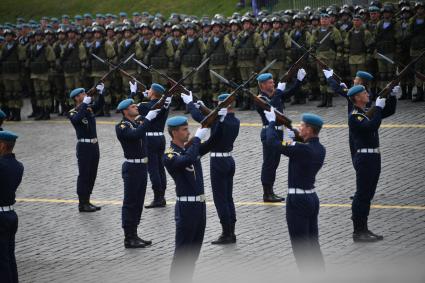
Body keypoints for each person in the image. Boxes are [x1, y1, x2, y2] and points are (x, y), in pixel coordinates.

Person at [164, 115, 223, 282]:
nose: (188, 132)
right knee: (183, 252)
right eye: (184, 130)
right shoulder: (169, 155)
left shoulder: (190, 149)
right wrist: (197, 137)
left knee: (193, 252)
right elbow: (186, 159)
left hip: (200, 207)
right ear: (174, 132)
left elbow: (214, 140)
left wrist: (219, 119)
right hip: (186, 208)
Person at [264, 110, 325, 272]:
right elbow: (295, 146)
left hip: (297, 201)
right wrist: (292, 134)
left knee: (301, 247)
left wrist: (271, 123)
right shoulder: (319, 149)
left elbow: (272, 143)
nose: (299, 127)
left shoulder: (302, 150)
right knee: (312, 242)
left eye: (302, 125)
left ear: (309, 130)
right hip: (312, 198)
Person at [182, 92, 240, 244]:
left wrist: (190, 103)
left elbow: (199, 117)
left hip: (218, 163)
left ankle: (226, 233)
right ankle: (231, 231)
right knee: (228, 198)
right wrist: (201, 104)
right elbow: (212, 116)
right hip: (229, 159)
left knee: (220, 199)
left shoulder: (218, 122)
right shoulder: (235, 121)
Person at [347, 85, 397, 242]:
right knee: (362, 194)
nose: (367, 94)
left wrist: (392, 96)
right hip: (365, 159)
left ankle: (364, 229)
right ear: (356, 98)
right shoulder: (355, 116)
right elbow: (371, 126)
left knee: (368, 195)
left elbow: (388, 112)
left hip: (374, 158)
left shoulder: (365, 113)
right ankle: (358, 231)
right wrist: (378, 108)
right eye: (364, 93)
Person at [115, 98, 161, 248]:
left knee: (139, 202)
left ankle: (134, 234)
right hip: (132, 168)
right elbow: (135, 135)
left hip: (141, 168)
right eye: (133, 106)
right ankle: (128, 237)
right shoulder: (122, 126)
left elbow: (142, 127)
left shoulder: (136, 123)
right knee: (130, 203)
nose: (136, 107)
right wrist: (147, 118)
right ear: (125, 111)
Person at [256, 70, 306, 202]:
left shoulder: (275, 95)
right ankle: (267, 193)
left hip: (278, 132)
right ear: (262, 85)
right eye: (269, 82)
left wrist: (299, 81)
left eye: (272, 81)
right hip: (269, 132)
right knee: (269, 163)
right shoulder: (260, 99)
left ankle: (270, 191)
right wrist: (278, 91)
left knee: (274, 163)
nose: (272, 83)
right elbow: (272, 107)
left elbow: (289, 93)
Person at [129, 82, 172, 208]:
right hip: (160, 137)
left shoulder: (144, 105)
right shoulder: (164, 105)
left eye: (150, 90)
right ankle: (161, 196)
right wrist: (145, 93)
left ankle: (158, 197)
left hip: (149, 139)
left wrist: (133, 92)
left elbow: (128, 107)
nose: (147, 91)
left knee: (153, 169)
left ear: (153, 93)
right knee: (160, 168)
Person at [68, 85, 105, 212]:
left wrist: (101, 93)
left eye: (85, 93)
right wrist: (84, 104)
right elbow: (77, 120)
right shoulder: (73, 112)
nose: (85, 95)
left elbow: (100, 106)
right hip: (84, 146)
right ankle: (82, 203)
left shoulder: (88, 108)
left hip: (94, 145)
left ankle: (87, 200)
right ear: (77, 98)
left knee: (92, 174)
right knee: (84, 175)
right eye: (82, 94)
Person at [0, 130, 24, 283]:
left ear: (2, 146)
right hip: (10, 214)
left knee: (2, 261)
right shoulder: (18, 166)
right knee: (9, 257)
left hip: (0, 217)